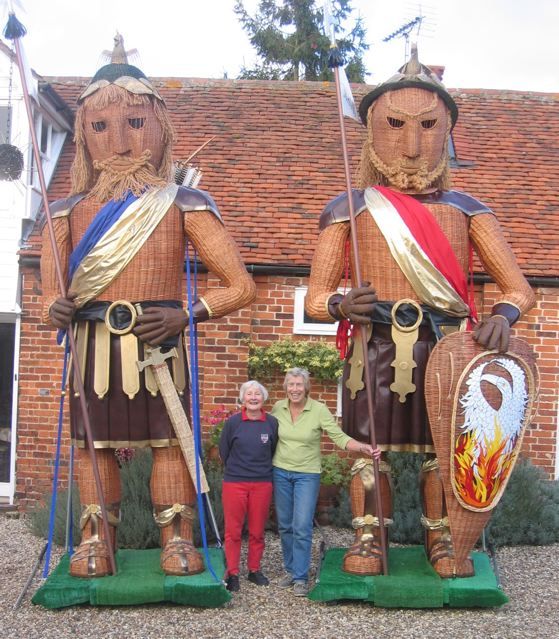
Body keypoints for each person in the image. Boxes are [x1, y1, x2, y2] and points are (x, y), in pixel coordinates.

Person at [305, 45, 535, 578]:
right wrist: (340, 302)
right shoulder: (348, 209)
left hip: (448, 345)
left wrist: (502, 313)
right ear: (372, 131)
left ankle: (443, 539)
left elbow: (520, 288)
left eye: (429, 126)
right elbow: (314, 297)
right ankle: (369, 537)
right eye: (397, 125)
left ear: (447, 130)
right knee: (370, 450)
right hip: (374, 346)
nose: (412, 145)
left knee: (444, 452)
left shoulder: (470, 212)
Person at [41, 38, 256, 578]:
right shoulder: (63, 212)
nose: (118, 140)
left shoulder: (186, 203)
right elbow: (49, 294)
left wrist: (189, 313)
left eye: (135, 122)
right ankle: (95, 539)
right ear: (84, 136)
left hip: (161, 347)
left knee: (170, 445)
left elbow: (240, 284)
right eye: (100, 126)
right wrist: (54, 310)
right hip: (92, 351)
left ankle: (177, 536)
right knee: (94, 447)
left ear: (159, 127)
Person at [271, 367, 380, 596]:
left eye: (299, 385)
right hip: (280, 472)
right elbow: (267, 436)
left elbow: (338, 437)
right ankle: (291, 569)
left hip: (307, 475)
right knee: (285, 525)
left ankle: (300, 576)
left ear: (306, 387)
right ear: (285, 388)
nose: (294, 389)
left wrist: (363, 447)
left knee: (301, 525)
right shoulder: (277, 408)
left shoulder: (318, 410)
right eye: (291, 385)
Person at [219, 381, 278, 592]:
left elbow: (272, 450)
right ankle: (232, 573)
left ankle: (254, 570)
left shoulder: (271, 423)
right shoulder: (233, 423)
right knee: (233, 531)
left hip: (262, 483)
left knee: (257, 530)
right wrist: (238, 470)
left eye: (257, 394)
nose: (253, 398)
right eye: (249, 394)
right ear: (243, 398)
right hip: (235, 482)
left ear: (263, 398)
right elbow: (224, 451)